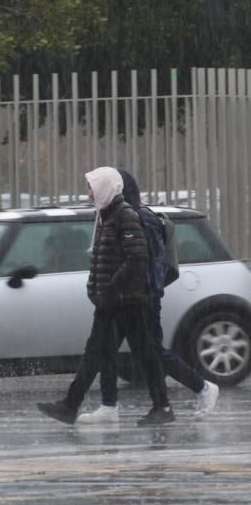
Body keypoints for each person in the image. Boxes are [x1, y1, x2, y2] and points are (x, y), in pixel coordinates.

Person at [74, 169, 219, 424]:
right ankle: (109, 406)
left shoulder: (140, 218)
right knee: (108, 348)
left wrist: (145, 297)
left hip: (143, 299)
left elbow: (149, 262)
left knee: (151, 351)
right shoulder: (115, 216)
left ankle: (202, 388)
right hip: (126, 298)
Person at [37, 167, 173, 427]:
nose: (89, 193)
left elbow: (137, 257)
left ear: (106, 187)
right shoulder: (105, 217)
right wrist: (94, 289)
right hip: (112, 301)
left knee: (141, 352)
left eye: (92, 187)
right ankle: (74, 405)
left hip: (128, 301)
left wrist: (111, 288)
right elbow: (99, 260)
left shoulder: (125, 216)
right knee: (101, 352)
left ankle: (161, 406)